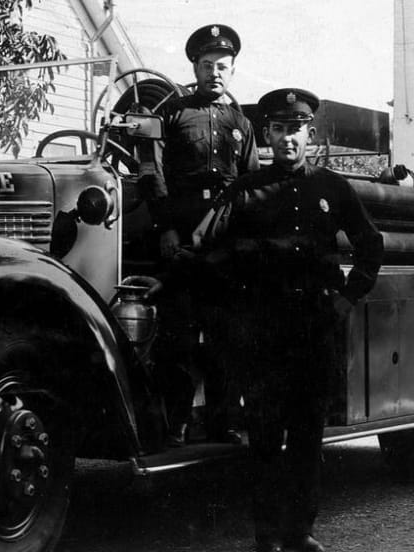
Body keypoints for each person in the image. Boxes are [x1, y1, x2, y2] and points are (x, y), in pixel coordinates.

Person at [202, 88, 384, 552]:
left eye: (297, 130)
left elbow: (371, 244)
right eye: (280, 129)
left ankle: (300, 532)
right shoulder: (245, 191)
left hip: (314, 329)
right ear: (267, 134)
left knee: (307, 436)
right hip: (263, 331)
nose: (288, 138)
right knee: (264, 438)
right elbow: (210, 252)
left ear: (311, 134)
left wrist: (347, 298)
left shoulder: (333, 188)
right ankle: (267, 537)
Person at [143, 23, 260, 446]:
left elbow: (250, 183)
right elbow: (152, 173)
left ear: (233, 70)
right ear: (195, 67)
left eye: (222, 66)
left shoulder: (240, 123)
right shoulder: (172, 115)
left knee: (226, 333)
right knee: (178, 334)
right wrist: (166, 228)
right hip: (181, 236)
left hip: (225, 240)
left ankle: (222, 422)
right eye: (207, 65)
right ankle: (174, 423)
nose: (215, 73)